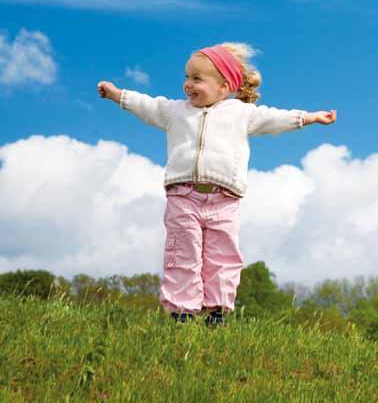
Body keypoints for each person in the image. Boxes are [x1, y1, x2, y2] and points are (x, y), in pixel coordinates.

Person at [97, 42, 336, 325]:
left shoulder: (241, 114)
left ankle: (216, 312)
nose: (188, 85)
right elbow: (147, 105)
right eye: (186, 77)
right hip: (183, 196)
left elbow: (275, 118)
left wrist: (310, 118)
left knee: (223, 257)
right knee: (182, 252)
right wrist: (116, 95)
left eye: (197, 79)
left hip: (225, 200)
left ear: (224, 86)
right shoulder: (175, 111)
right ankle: (181, 313)